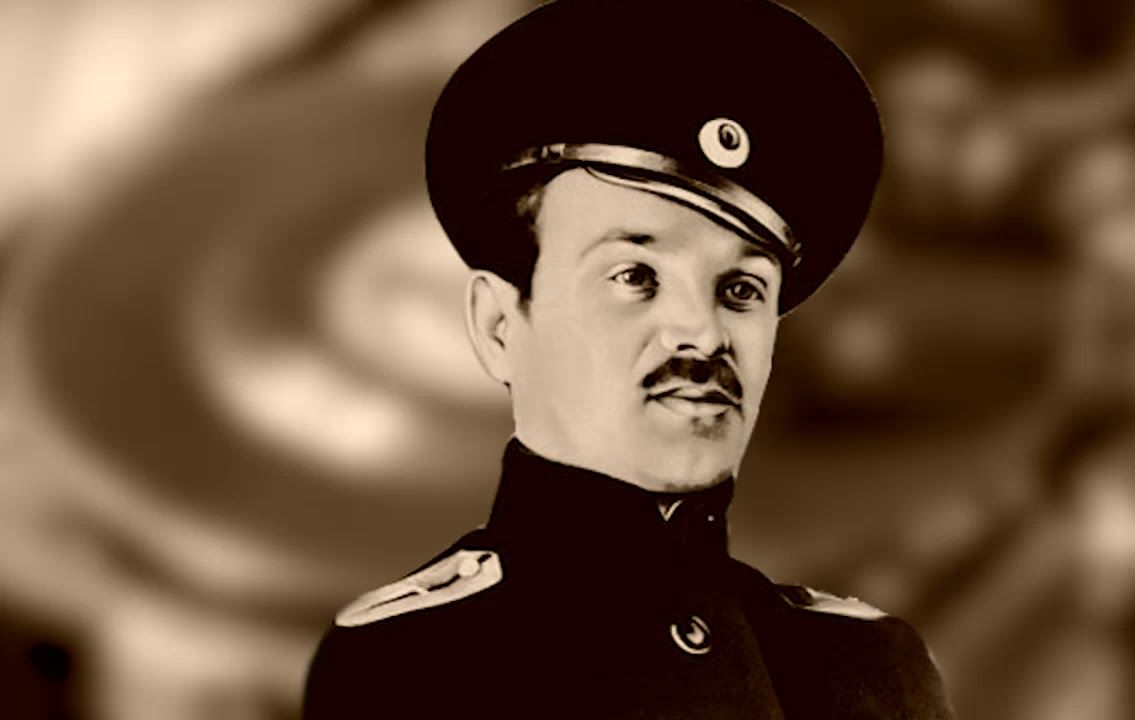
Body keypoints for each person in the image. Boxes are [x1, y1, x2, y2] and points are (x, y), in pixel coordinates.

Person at [302, 0, 953, 717]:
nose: (702, 333)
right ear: (498, 325)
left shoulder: (872, 670)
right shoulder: (415, 667)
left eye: (740, 289)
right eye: (636, 276)